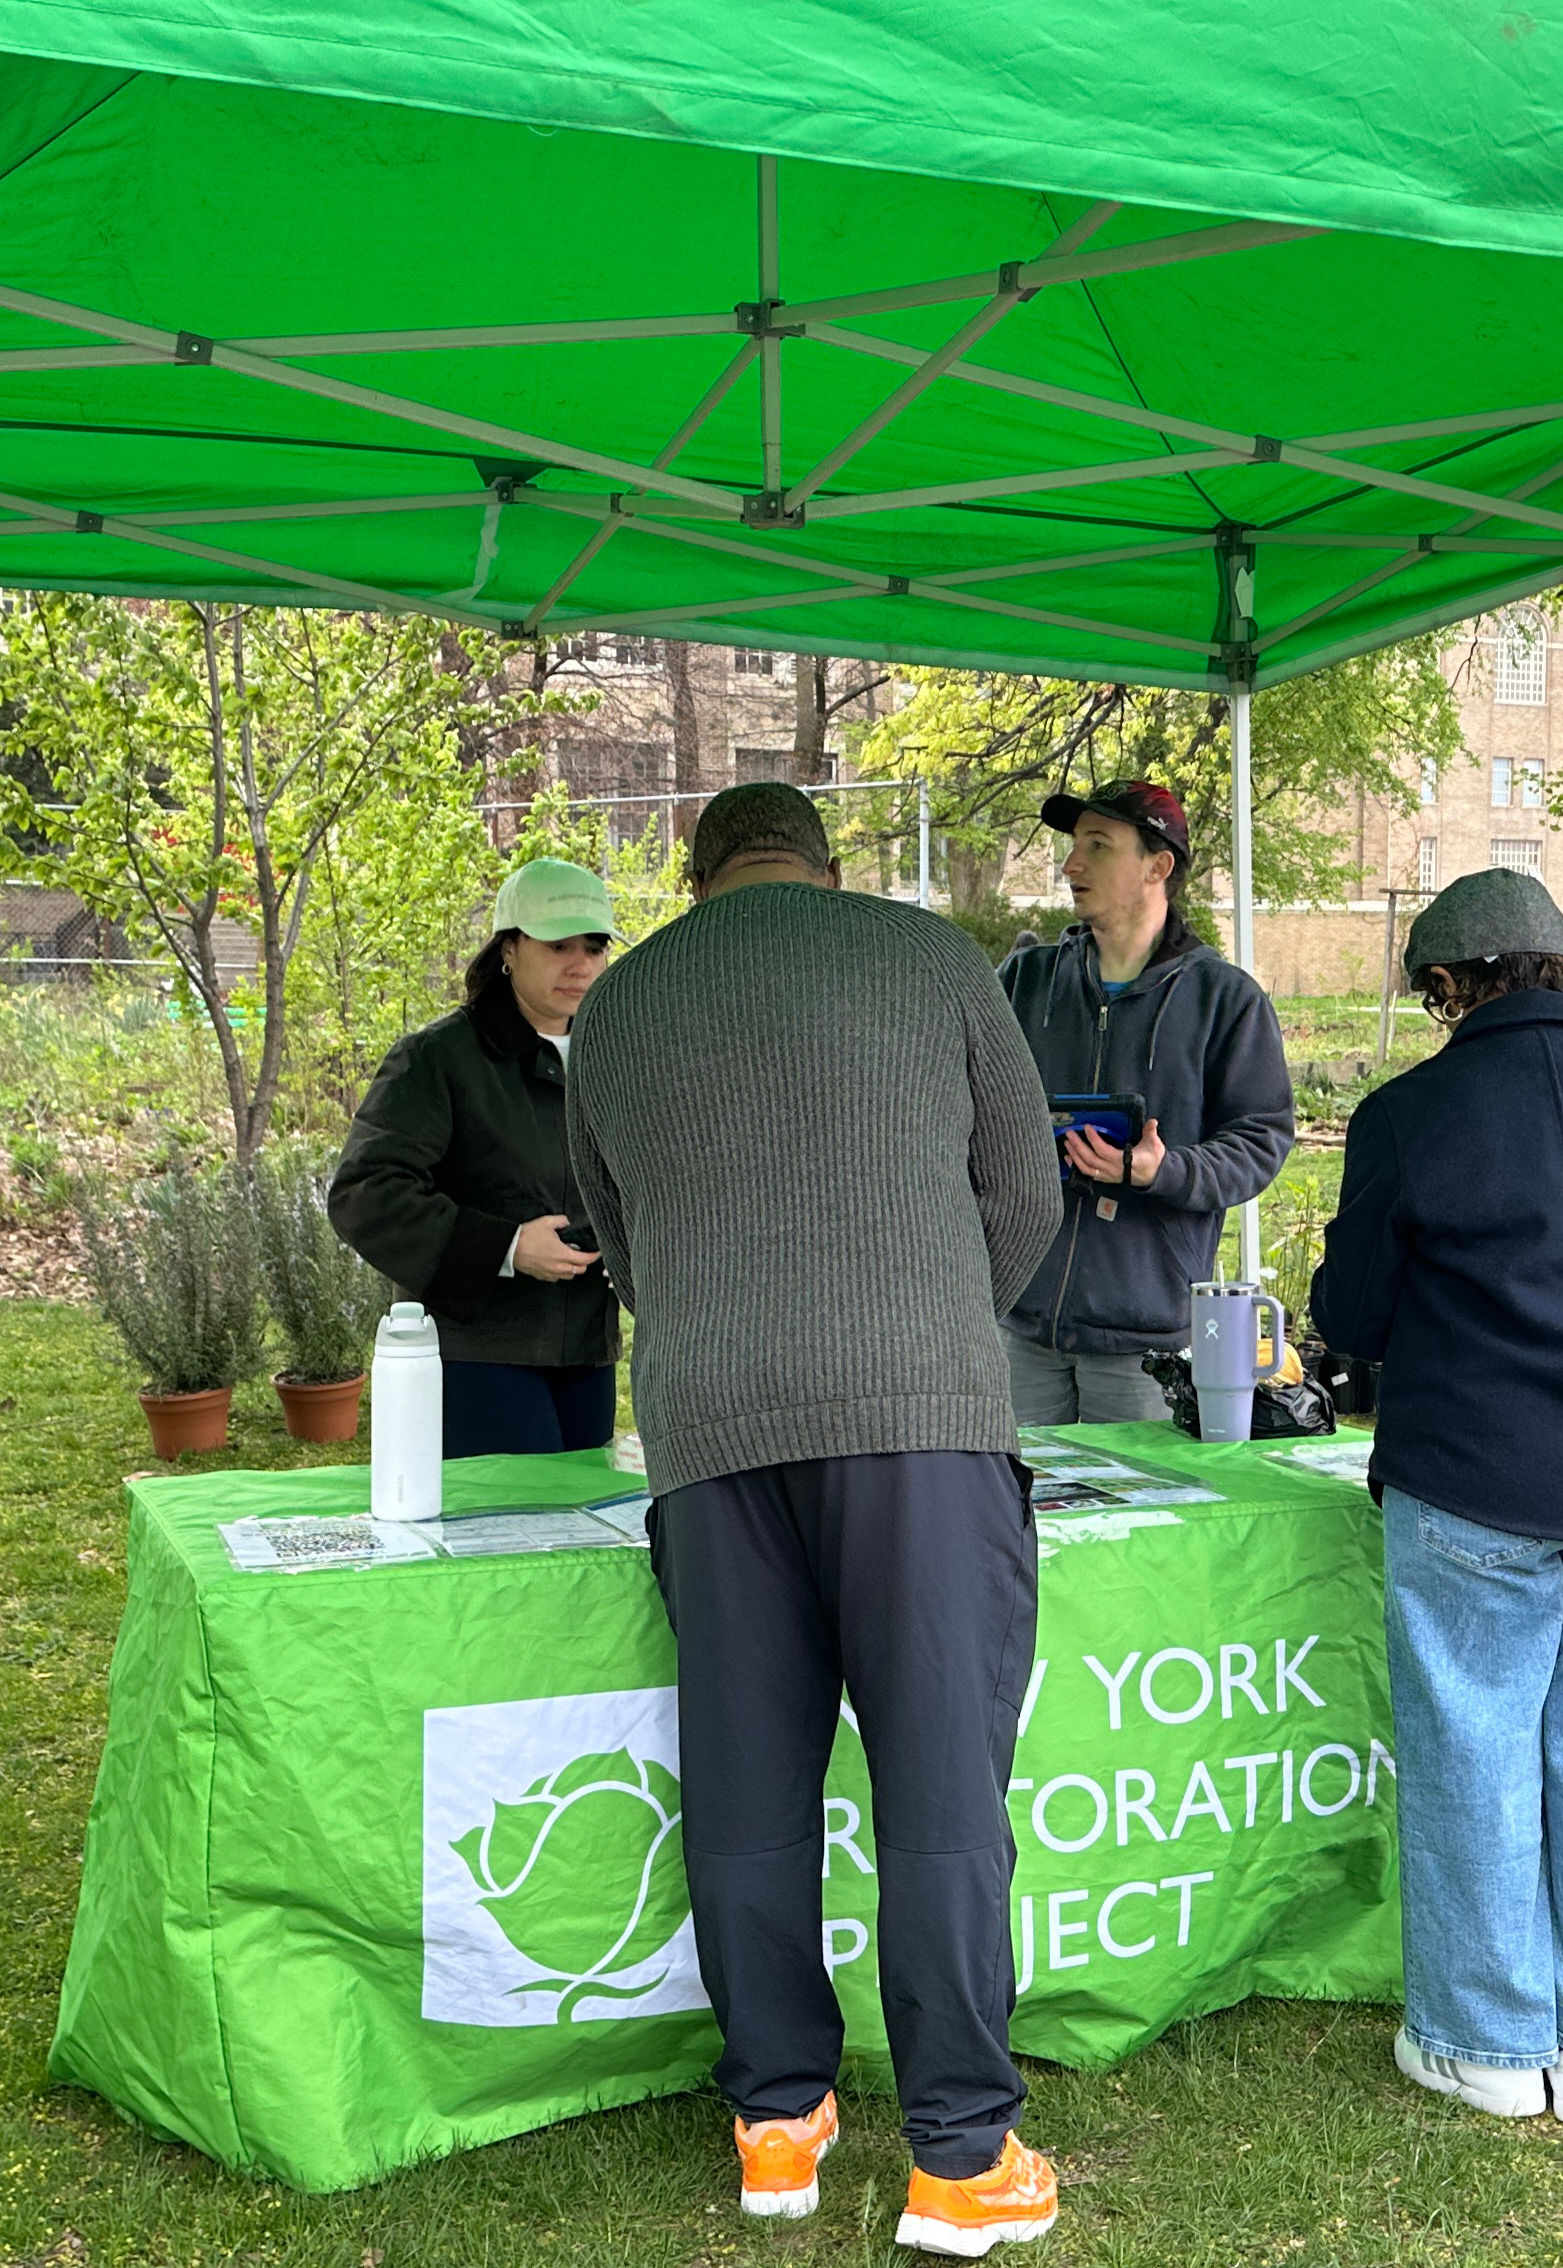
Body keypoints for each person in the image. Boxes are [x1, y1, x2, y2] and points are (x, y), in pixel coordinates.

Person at [563, 783, 1067, 2257]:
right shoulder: (929, 958)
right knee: (941, 1792)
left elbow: (620, 1233)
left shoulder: (620, 1004)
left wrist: (728, 1327)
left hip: (708, 1427)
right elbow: (1026, 1196)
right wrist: (929, 1318)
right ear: (827, 868)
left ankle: (777, 2120)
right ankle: (963, 2156)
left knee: (746, 1786)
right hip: (922, 1425)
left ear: (695, 875)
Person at [1307, 868, 1563, 2130]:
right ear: (1557, 968)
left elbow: (1353, 1316)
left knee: (1476, 1752)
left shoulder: (1408, 1114)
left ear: (1447, 984)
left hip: (1476, 1481)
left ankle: (1486, 2047)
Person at [996, 778, 1296, 1424]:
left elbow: (1261, 1140)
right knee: (1011, 1522)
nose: (1071, 864)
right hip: (1020, 1328)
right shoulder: (1024, 981)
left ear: (1158, 866)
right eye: (1074, 845)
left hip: (1143, 1347)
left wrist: (1162, 1171)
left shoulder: (1227, 1001)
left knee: (1134, 1526)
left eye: (1098, 846)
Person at [327, 858, 621, 1457]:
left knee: (578, 1539)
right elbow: (365, 1194)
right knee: (511, 1535)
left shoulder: (616, 1055)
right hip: (475, 1353)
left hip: (587, 1349)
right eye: (558, 944)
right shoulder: (438, 1058)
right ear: (508, 948)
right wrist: (508, 1248)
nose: (581, 964)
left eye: (594, 946)